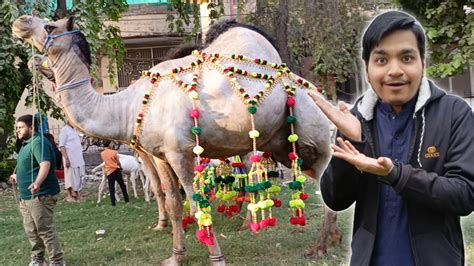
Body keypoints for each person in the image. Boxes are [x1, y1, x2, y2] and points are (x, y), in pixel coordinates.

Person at [308, 10, 474, 266]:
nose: (395, 70)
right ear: (366, 68)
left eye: (406, 57)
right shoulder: (357, 119)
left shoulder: (454, 113)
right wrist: (355, 142)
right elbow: (336, 199)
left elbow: (464, 195)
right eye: (382, 60)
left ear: (422, 62)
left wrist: (396, 175)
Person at [9, 114, 65, 266]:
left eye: (21, 127)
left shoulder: (38, 142)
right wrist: (17, 175)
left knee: (44, 230)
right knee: (31, 230)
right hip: (26, 197)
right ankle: (38, 259)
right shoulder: (27, 144)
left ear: (31, 127)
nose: (17, 131)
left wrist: (37, 183)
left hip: (41, 195)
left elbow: (45, 164)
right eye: (16, 128)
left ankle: (57, 261)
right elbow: (31, 166)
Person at [58, 121, 85, 202]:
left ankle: (76, 194)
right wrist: (66, 159)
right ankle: (70, 196)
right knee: (70, 178)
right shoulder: (64, 130)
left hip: (78, 158)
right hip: (70, 158)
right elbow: (62, 146)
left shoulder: (74, 130)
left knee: (77, 177)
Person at [100, 140, 129, 206]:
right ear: (109, 144)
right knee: (122, 186)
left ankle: (113, 203)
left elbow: (105, 162)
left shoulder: (102, 153)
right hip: (116, 170)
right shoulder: (114, 152)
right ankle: (126, 200)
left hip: (109, 172)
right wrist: (121, 168)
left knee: (111, 188)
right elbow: (118, 162)